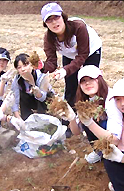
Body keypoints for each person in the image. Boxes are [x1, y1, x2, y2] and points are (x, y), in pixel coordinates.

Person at [40, 2, 103, 136]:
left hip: (89, 51)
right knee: (70, 86)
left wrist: (65, 70)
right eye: (49, 20)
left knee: (88, 83)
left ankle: (92, 119)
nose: (54, 23)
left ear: (63, 17)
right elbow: (51, 63)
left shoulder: (78, 27)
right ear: (45, 24)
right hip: (69, 54)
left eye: (56, 17)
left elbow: (83, 55)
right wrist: (41, 66)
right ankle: (70, 121)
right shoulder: (49, 38)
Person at [55, 65, 123, 163]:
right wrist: (72, 118)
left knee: (96, 121)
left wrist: (89, 123)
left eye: (91, 79)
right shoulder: (84, 101)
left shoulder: (111, 100)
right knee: (87, 120)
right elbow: (76, 132)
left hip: (120, 143)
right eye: (83, 81)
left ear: (99, 79)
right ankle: (99, 151)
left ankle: (108, 151)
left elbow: (115, 140)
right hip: (106, 139)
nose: (87, 83)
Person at [11, 53, 54, 120]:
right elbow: (14, 100)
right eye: (19, 67)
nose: (23, 69)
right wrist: (19, 119)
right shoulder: (17, 80)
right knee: (22, 95)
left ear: (32, 65)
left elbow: (43, 97)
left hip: (44, 101)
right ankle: (27, 119)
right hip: (29, 103)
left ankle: (44, 119)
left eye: (25, 65)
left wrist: (33, 84)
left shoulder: (41, 76)